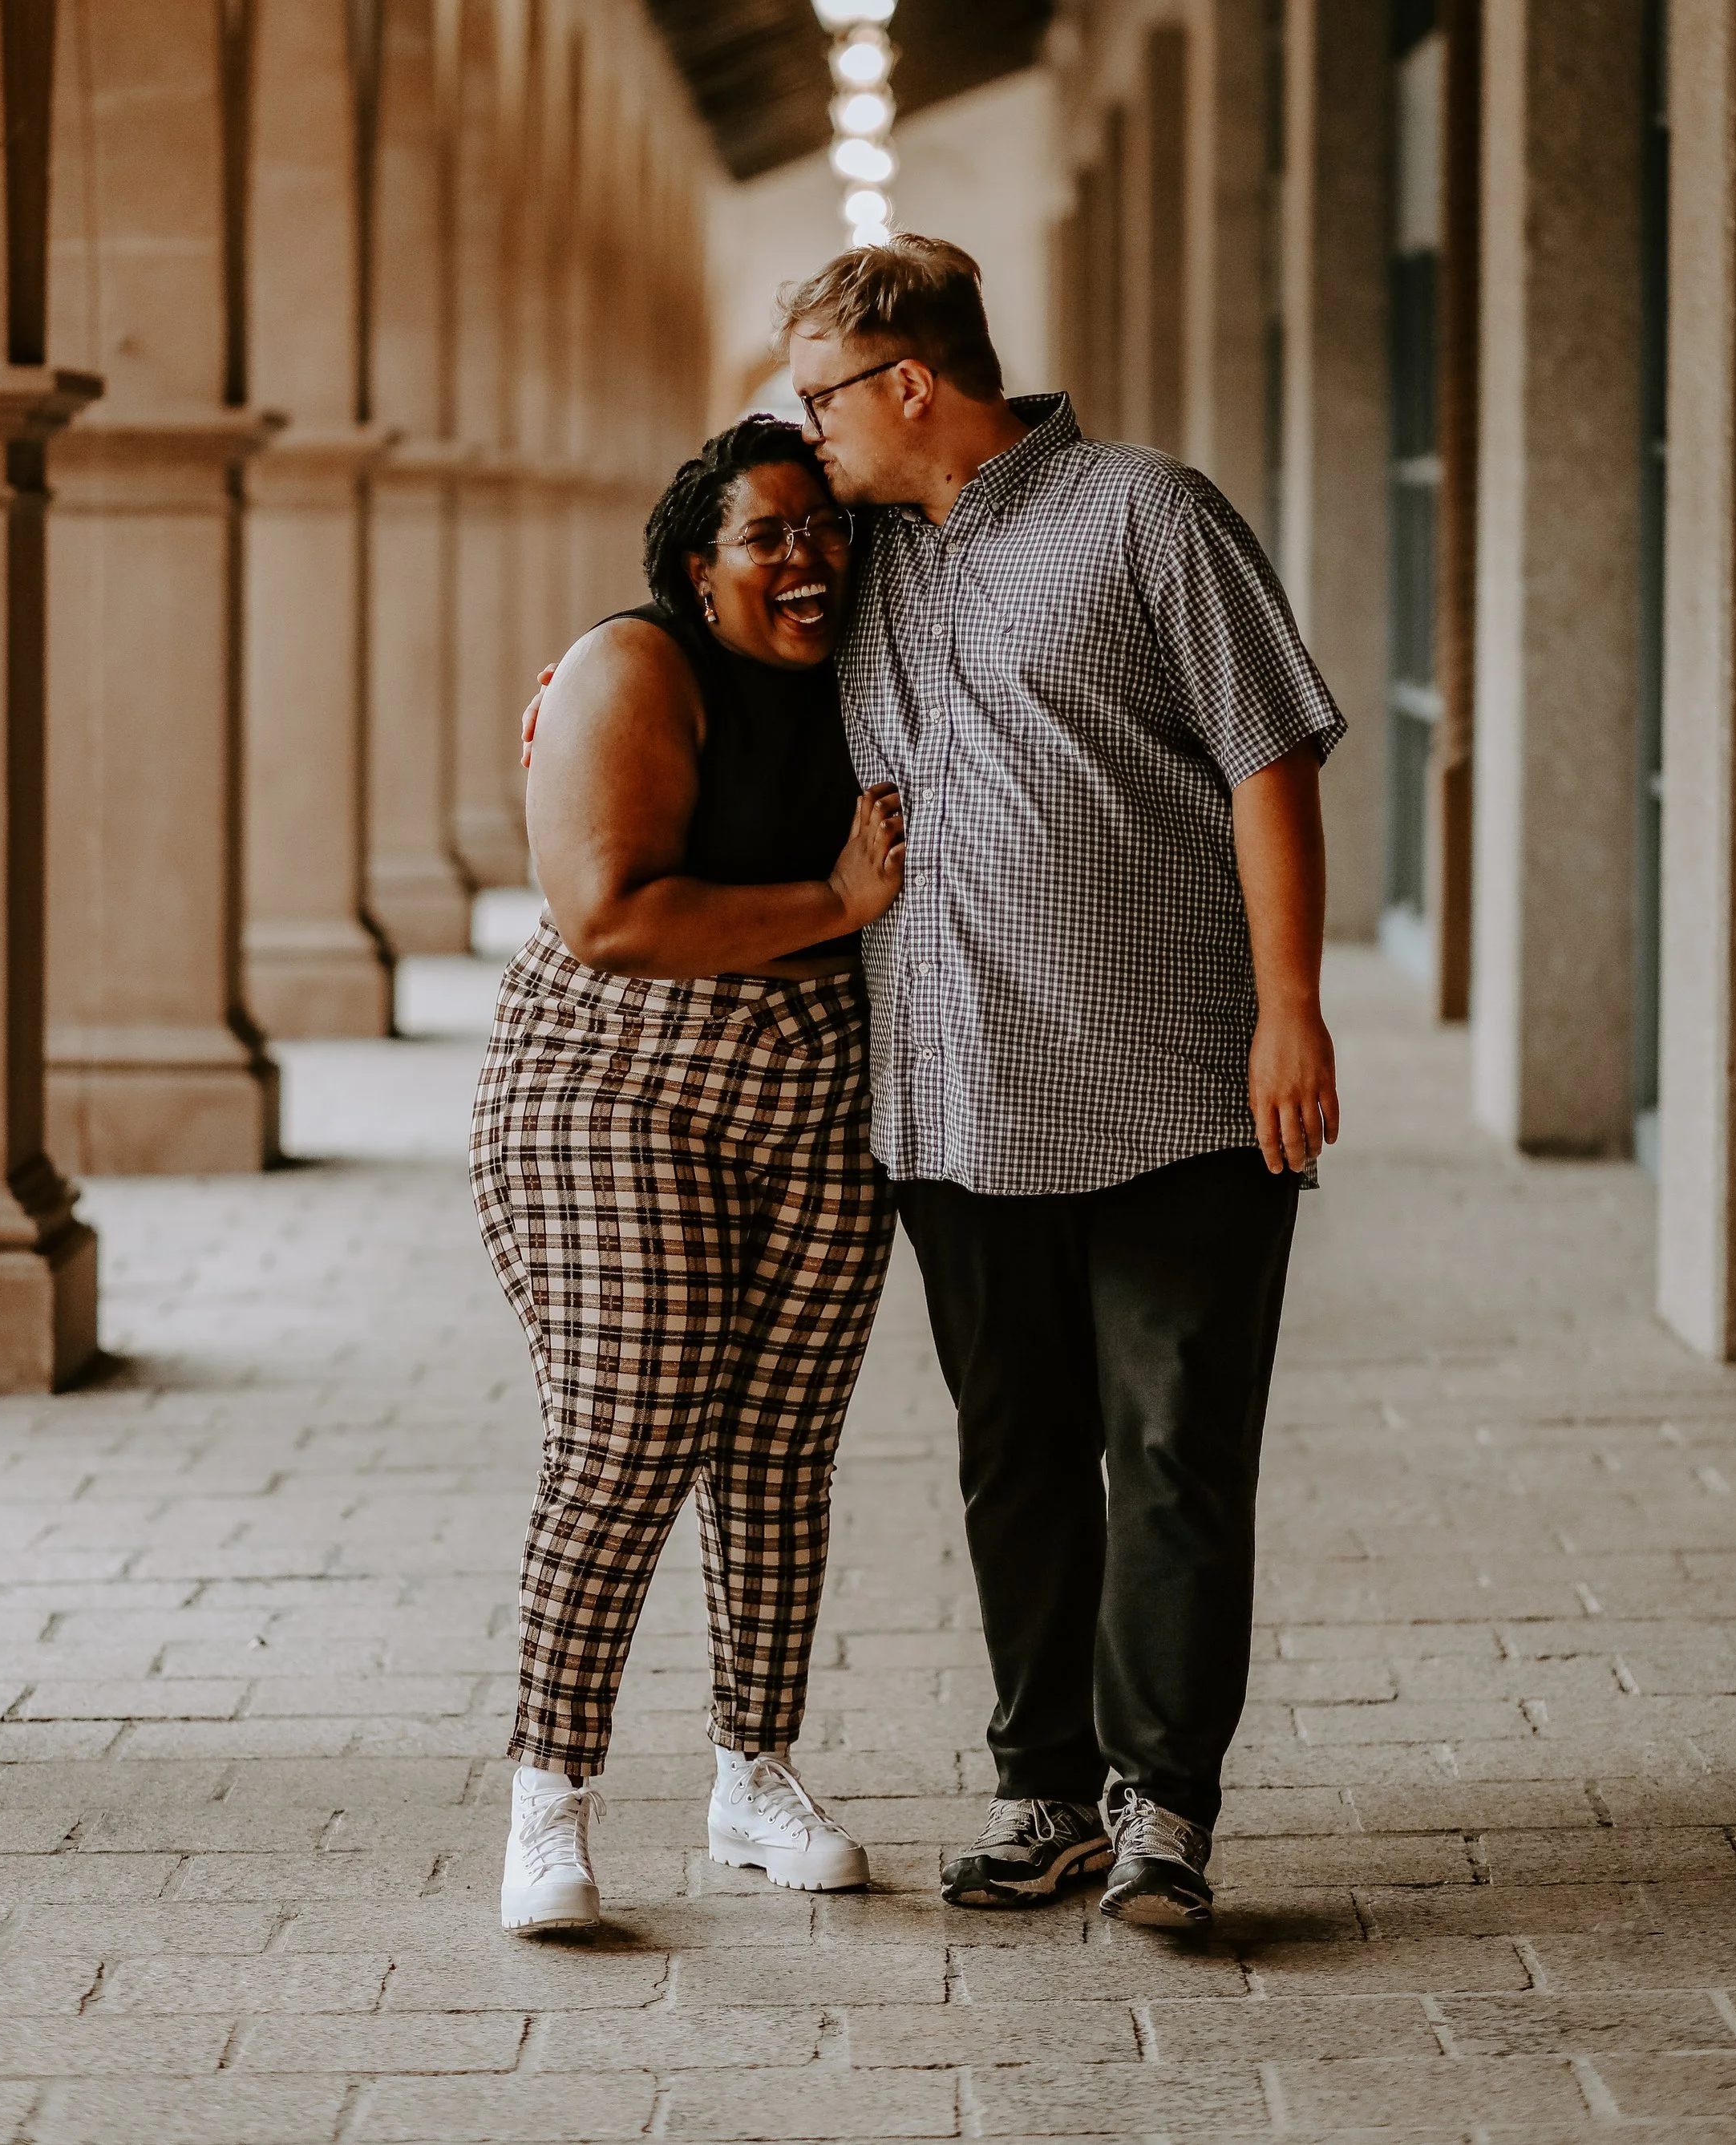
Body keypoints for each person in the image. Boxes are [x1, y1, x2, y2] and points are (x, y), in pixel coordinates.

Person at [780, 235, 1345, 1933]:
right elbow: (711, 592)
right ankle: (1045, 1793)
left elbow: (1267, 754)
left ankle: (1162, 1808)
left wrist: (1293, 1008)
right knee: (1012, 1454)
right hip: (953, 1097)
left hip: (1176, 1087)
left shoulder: (1147, 514)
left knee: (1173, 1447)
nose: (804, 428)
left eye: (819, 396)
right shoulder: (859, 556)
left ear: (909, 383)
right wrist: (589, 677)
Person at [469, 416, 905, 1938]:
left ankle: (753, 1776)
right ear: (698, 567)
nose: (808, 557)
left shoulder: (884, 654)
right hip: (616, 1071)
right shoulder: (633, 669)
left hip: (821, 1078)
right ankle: (548, 1792)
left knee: (782, 1444)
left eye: (827, 527)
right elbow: (609, 917)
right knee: (631, 1420)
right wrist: (836, 898)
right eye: (767, 535)